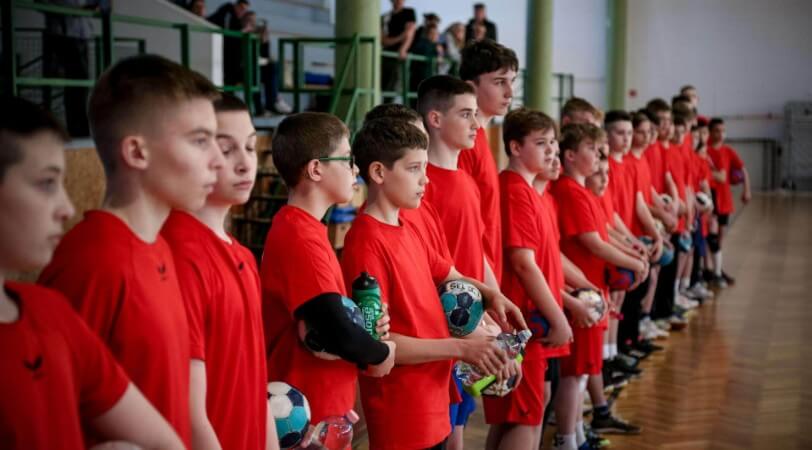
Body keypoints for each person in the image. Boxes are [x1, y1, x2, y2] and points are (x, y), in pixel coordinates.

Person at [38, 54, 226, 447]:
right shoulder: (92, 263)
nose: (218, 161)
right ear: (137, 152)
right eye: (200, 141)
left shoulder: (159, 247)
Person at [0, 95, 185, 450]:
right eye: (46, 183)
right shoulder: (94, 259)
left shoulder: (50, 312)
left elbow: (164, 442)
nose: (66, 208)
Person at [343, 117, 523, 450]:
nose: (425, 179)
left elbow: (447, 275)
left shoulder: (408, 226)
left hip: (434, 398)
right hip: (401, 409)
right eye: (414, 168)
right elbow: (378, 344)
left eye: (425, 168)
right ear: (379, 172)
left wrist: (490, 295)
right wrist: (462, 348)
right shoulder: (365, 243)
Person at [261, 112, 396, 423]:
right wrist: (381, 352)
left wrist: (365, 322)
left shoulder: (303, 228)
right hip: (307, 410)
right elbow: (336, 329)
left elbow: (332, 320)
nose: (355, 169)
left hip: (325, 403)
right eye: (347, 159)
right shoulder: (299, 237)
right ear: (316, 169)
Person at [162, 94, 277, 450]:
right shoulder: (178, 254)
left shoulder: (242, 255)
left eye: (250, 147)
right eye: (227, 150)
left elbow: (256, 383)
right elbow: (190, 414)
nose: (245, 164)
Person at [417, 75, 507, 450]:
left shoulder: (467, 181)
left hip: (474, 325)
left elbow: (476, 251)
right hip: (447, 330)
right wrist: (473, 324)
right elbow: (430, 268)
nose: (475, 124)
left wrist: (495, 306)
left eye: (475, 115)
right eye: (465, 114)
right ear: (436, 119)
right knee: (443, 432)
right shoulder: (422, 186)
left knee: (460, 426)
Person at [550, 124, 645, 450]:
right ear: (571, 156)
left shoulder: (583, 191)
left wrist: (632, 253)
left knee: (580, 374)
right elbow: (593, 243)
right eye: (592, 149)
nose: (598, 155)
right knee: (574, 374)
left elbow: (602, 233)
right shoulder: (569, 190)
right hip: (582, 293)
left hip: (592, 289)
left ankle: (577, 434)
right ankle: (567, 440)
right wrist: (635, 262)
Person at [483, 108, 572, 450]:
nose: (551, 150)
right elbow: (522, 264)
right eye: (541, 143)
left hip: (526, 322)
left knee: (519, 414)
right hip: (523, 323)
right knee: (524, 418)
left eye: (553, 143)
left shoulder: (530, 191)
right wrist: (558, 316)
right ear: (515, 147)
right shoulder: (515, 190)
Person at [458, 39, 519, 288]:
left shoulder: (480, 138)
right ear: (471, 87)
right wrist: (490, 290)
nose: (510, 93)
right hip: (474, 279)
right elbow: (463, 228)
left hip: (488, 273)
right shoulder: (464, 145)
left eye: (512, 81)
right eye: (499, 82)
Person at [42, 0, 99, 137]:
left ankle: (79, 129)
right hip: (63, 34)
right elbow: (43, 3)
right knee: (76, 82)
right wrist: (71, 11)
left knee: (80, 84)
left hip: (81, 34)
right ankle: (77, 130)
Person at [706, 117, 750, 287]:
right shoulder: (706, 150)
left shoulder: (728, 151)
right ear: (710, 132)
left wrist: (747, 189)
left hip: (725, 201)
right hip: (711, 199)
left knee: (720, 238)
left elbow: (742, 170)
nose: (721, 134)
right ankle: (710, 269)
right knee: (710, 237)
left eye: (723, 131)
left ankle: (717, 267)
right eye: (717, 131)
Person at [241, 11, 293, 115]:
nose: (253, 23)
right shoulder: (239, 32)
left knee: (272, 67)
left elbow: (265, 56)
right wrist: (244, 32)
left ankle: (272, 101)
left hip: (256, 67)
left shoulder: (257, 35)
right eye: (250, 20)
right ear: (244, 21)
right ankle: (269, 103)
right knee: (257, 73)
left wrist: (265, 41)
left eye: (254, 21)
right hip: (241, 69)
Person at [207, 0, 251, 86]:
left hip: (227, 56)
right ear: (236, 6)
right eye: (242, 8)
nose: (243, 12)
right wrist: (242, 32)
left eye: (245, 10)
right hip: (220, 53)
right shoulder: (227, 13)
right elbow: (227, 33)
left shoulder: (236, 19)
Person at [381, 0, 417, 95]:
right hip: (387, 56)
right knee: (385, 86)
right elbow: (384, 41)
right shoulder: (385, 17)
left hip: (402, 58)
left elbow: (410, 32)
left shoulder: (409, 12)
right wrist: (401, 37)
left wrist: (403, 49)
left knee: (398, 87)